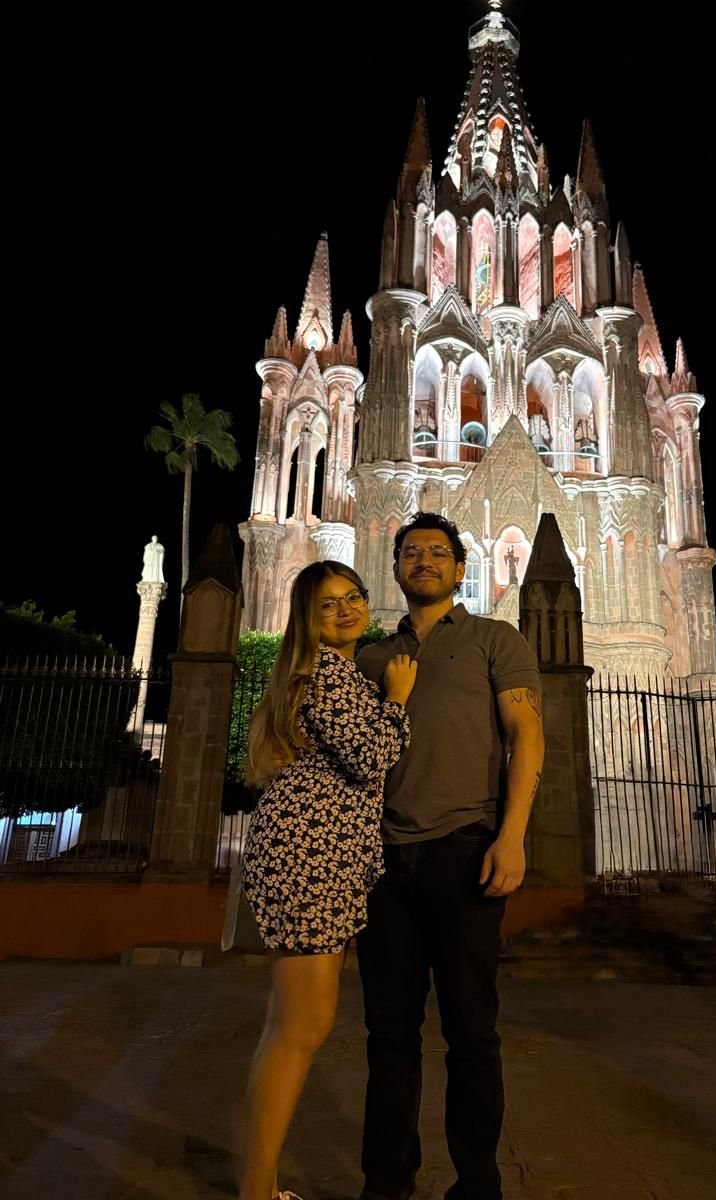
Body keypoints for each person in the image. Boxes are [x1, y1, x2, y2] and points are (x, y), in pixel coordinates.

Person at [355, 512, 545, 1200]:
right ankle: (386, 1181)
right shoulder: (370, 659)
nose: (425, 561)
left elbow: (527, 734)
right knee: (388, 1033)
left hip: (465, 850)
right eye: (412, 552)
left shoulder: (496, 639)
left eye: (438, 552)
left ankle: (478, 1183)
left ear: (462, 568)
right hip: (383, 862)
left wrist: (512, 835)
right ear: (395, 567)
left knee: (470, 1031)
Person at [236, 560, 418, 1200]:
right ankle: (256, 1192)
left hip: (314, 850)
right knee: (301, 1030)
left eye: (354, 596)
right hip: (314, 853)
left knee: (285, 1028)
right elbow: (372, 756)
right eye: (328, 604)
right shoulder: (327, 674)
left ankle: (258, 1184)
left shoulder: (316, 672)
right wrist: (397, 697)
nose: (347, 609)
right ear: (306, 620)